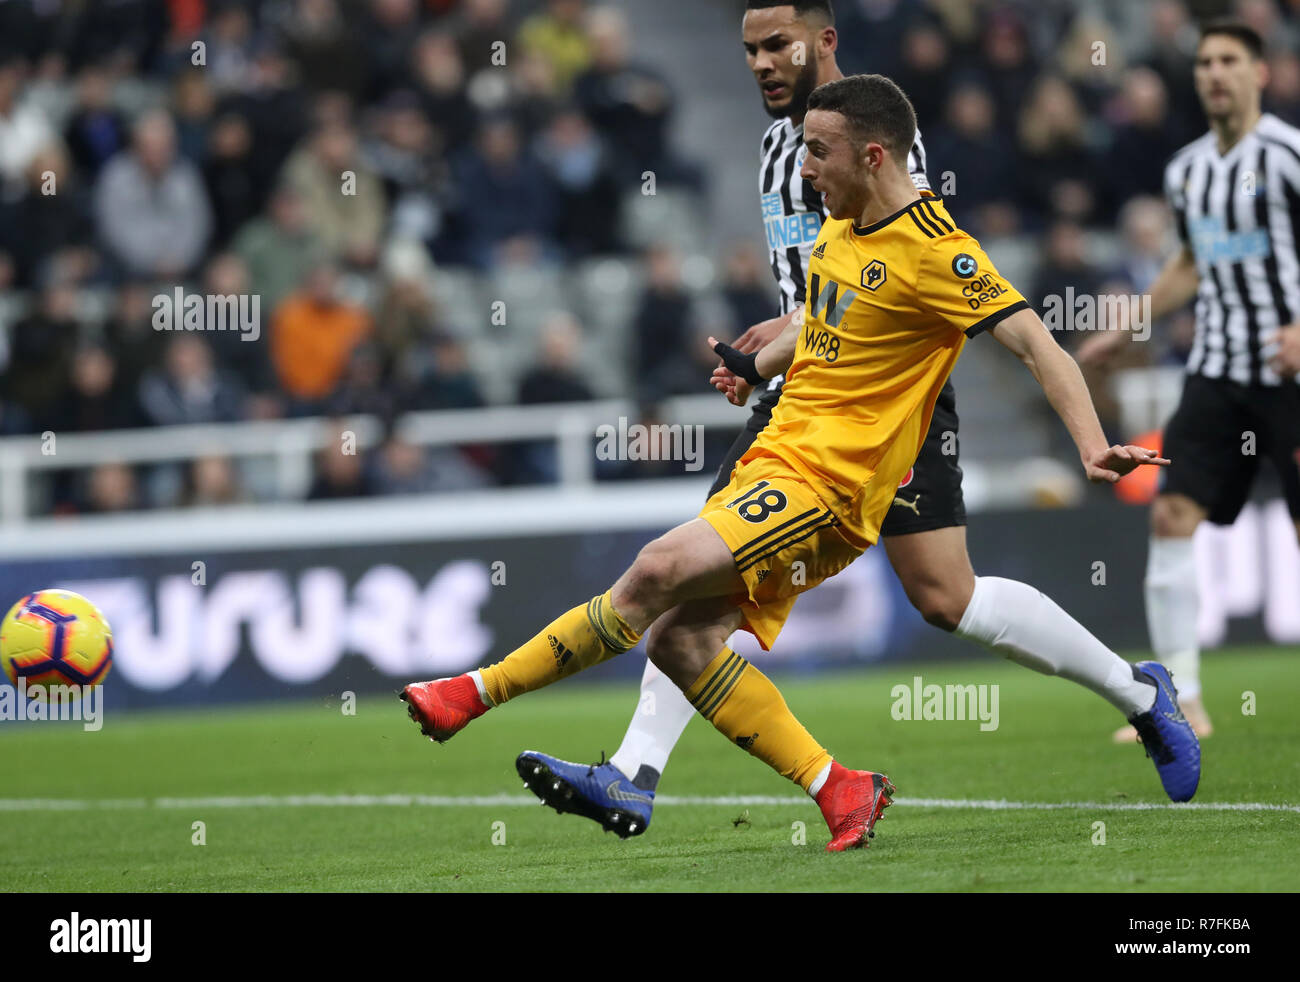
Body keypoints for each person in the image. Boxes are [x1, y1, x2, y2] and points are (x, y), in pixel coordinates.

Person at [402, 73, 1199, 852]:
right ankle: (835, 786)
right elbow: (824, 319)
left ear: (876, 155)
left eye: (819, 153)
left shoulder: (939, 252)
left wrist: (1091, 442)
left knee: (655, 570)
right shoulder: (840, 224)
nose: (805, 169)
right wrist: (759, 364)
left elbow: (1037, 344)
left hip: (829, 487)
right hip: (778, 453)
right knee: (683, 642)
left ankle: (474, 694)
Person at [1079, 19, 1300, 743]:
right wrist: (1130, 324)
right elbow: (1191, 265)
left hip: (1290, 375)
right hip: (1216, 372)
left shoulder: (1289, 156)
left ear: (1260, 73)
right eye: (1205, 61)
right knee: (1171, 516)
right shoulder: (1187, 170)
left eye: (1230, 60)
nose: (1214, 73)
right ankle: (1183, 700)